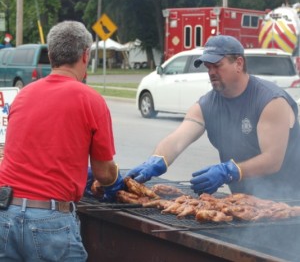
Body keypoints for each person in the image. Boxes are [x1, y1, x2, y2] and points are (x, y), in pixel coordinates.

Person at [0, 20, 123, 261]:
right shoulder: (90, 99)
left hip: (6, 216)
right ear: (85, 55)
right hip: (50, 222)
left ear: (52, 54)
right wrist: (118, 180)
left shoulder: (24, 94)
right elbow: (104, 173)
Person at [125, 35, 300, 200]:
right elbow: (177, 140)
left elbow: (273, 160)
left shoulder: (270, 101)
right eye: (208, 66)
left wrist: (230, 170)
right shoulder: (206, 105)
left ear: (238, 63)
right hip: (246, 204)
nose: (211, 72)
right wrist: (158, 159)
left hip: (290, 201)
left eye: (217, 65)